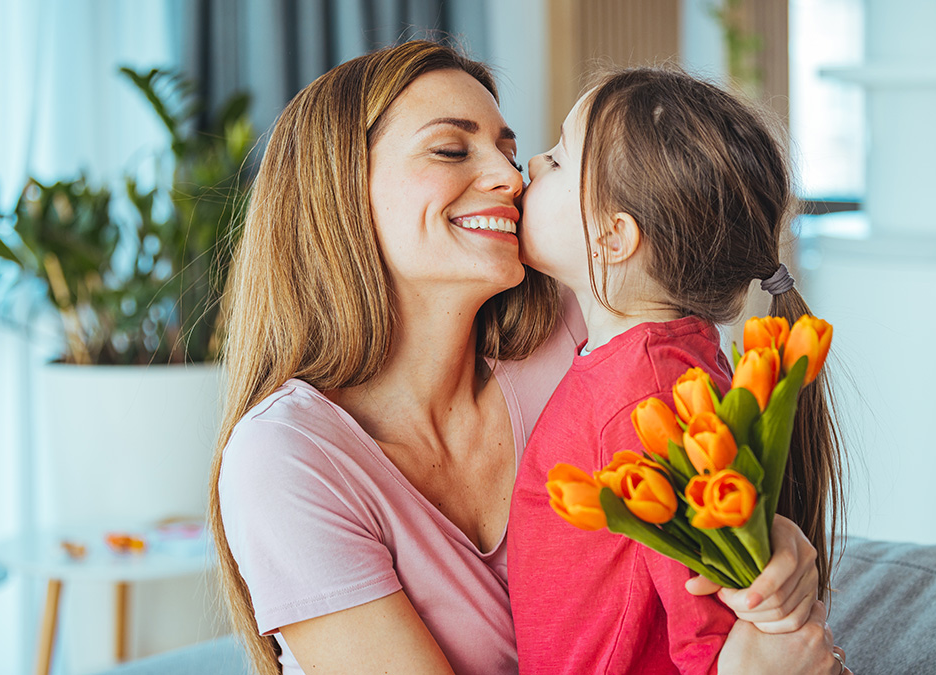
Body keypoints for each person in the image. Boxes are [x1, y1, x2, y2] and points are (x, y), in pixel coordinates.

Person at [210, 40, 837, 675]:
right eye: (451, 150)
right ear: (336, 191)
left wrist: (771, 548)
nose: (513, 178)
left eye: (510, 151)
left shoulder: (581, 338)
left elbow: (698, 541)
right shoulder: (287, 457)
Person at [507, 67, 848, 675]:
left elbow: (709, 617)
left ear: (613, 237)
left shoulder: (646, 396)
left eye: (558, 160)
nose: (532, 163)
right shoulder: (657, 360)